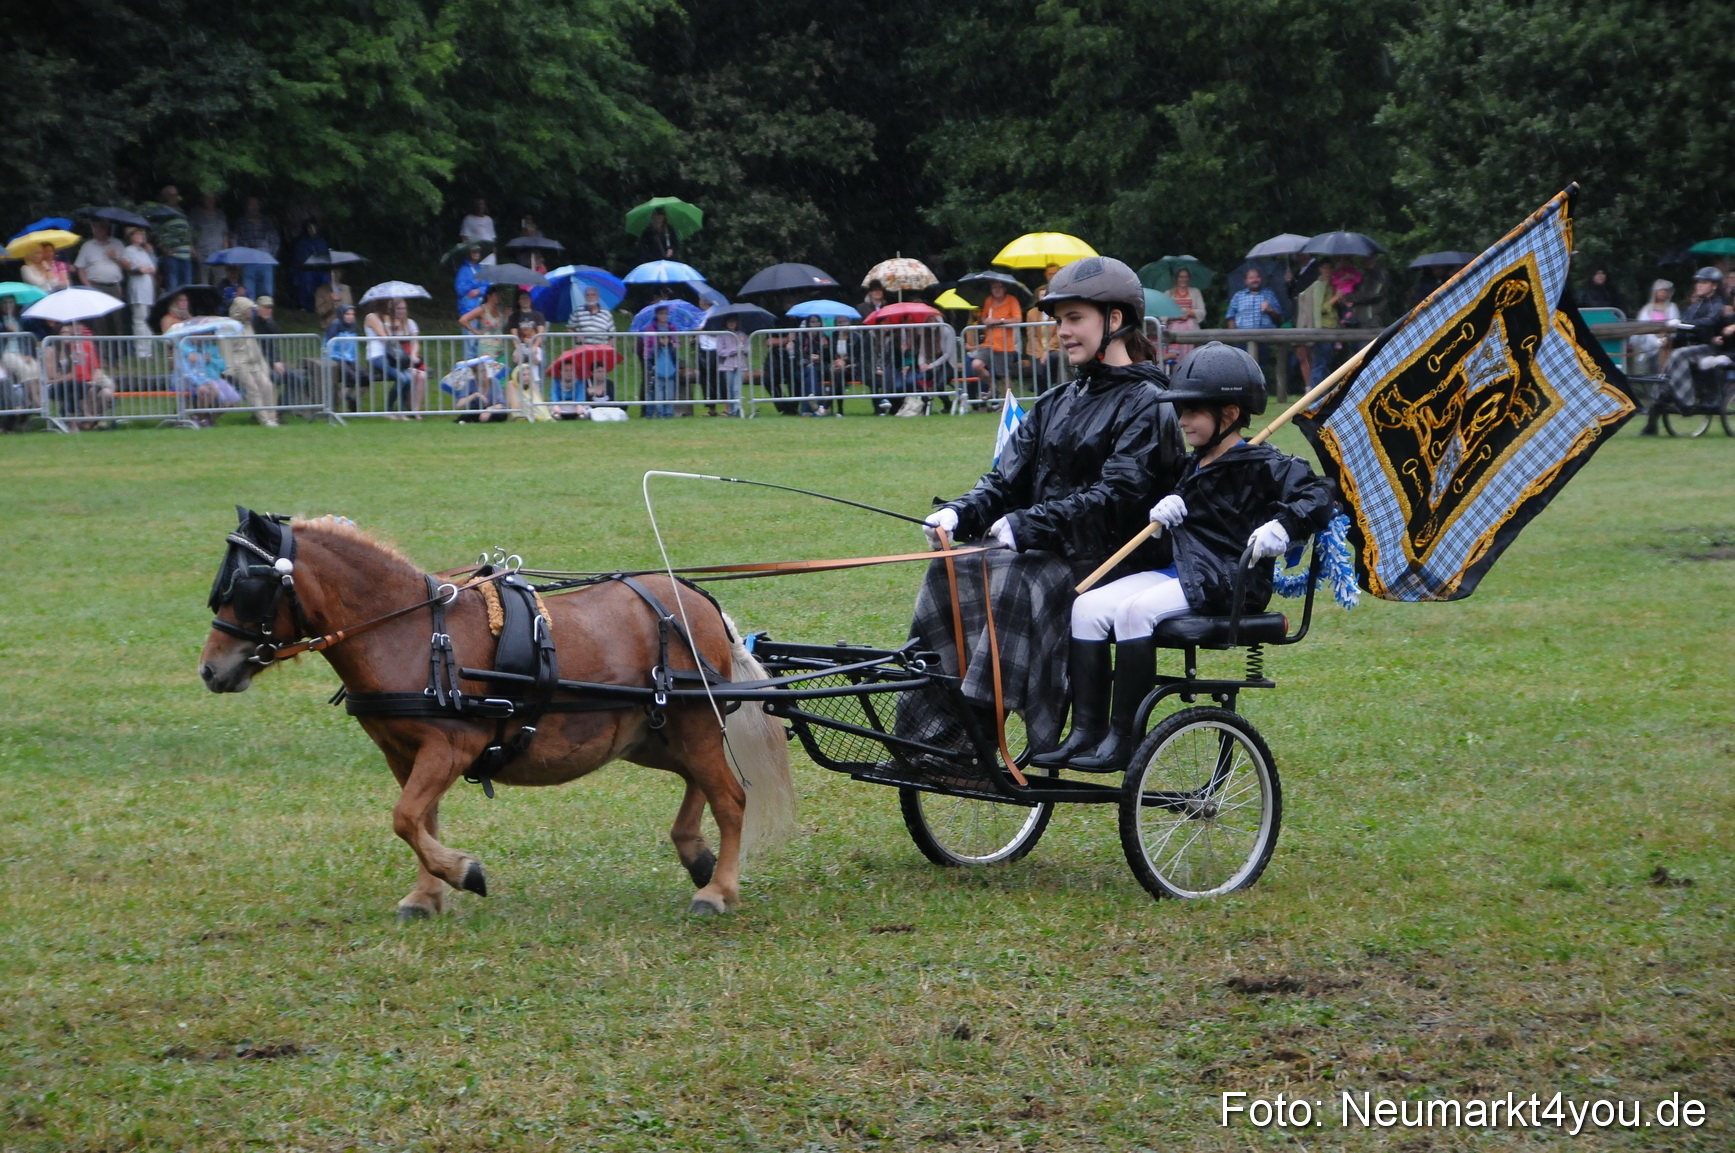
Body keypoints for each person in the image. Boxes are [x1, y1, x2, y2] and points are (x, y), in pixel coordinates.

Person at [914, 256, 1187, 757]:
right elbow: (1003, 481)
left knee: (1022, 578)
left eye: (1074, 319)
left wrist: (1028, 525)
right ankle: (931, 728)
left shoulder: (1152, 402)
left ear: (1115, 320)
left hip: (1116, 560)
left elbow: (1117, 497)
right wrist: (958, 513)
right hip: (1051, 547)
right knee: (950, 569)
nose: (1060, 332)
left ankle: (978, 736)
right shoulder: (1055, 402)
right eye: (1058, 321)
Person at [1041, 342, 1336, 770]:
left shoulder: (1264, 464)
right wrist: (1165, 504)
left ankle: (1125, 741)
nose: (1181, 421)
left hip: (1228, 582)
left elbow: (1321, 493)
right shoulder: (1189, 465)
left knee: (1134, 613)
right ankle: (1087, 732)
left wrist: (1284, 526)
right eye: (1180, 411)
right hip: (1181, 572)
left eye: (1192, 412)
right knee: (1086, 606)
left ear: (1229, 415)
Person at [1643, 268, 1734, 434]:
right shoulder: (1695, 305)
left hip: (1708, 348)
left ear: (1713, 286)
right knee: (1663, 372)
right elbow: (1683, 326)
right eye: (1698, 282)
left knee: (1679, 355)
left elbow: (1708, 323)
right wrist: (1670, 336)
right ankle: (1651, 425)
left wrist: (1683, 325)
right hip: (1690, 348)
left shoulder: (1718, 305)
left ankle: (1686, 402)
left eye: (1703, 282)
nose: (1698, 286)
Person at [220, 296, 279, 425]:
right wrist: (230, 368)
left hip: (255, 363)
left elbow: (255, 346)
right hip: (240, 364)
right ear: (241, 310)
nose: (251, 312)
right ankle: (264, 419)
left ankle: (272, 417)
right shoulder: (227, 327)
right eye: (249, 309)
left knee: (268, 386)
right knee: (253, 389)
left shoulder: (248, 325)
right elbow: (225, 348)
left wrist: (263, 364)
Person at [973, 280, 1025, 402]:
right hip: (988, 343)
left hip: (1005, 345)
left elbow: (1018, 319)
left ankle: (1008, 403)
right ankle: (992, 385)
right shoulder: (988, 301)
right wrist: (986, 321)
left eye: (999, 287)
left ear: (1005, 288)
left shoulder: (1012, 300)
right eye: (994, 287)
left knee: (1004, 376)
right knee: (976, 365)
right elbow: (984, 318)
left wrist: (999, 321)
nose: (996, 289)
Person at [75, 219, 127, 336]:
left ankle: (117, 349)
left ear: (106, 229)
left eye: (100, 227)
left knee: (116, 318)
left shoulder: (117, 243)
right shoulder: (87, 246)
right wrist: (88, 286)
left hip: (114, 285)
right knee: (98, 320)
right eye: (95, 227)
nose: (97, 230)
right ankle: (100, 350)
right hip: (95, 285)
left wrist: (116, 257)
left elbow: (128, 265)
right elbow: (80, 268)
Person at [364, 301, 412, 416]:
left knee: (409, 378)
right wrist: (387, 324)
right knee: (402, 378)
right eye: (389, 305)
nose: (391, 308)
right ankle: (388, 409)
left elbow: (396, 339)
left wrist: (396, 328)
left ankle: (401, 411)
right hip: (376, 355)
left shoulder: (387, 318)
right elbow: (385, 337)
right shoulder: (371, 317)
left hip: (390, 355)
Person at [120, 226, 158, 359]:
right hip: (137, 288)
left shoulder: (144, 251)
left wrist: (146, 265)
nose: (141, 237)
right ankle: (141, 351)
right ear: (131, 236)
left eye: (142, 234)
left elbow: (152, 268)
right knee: (139, 319)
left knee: (146, 319)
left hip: (147, 288)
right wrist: (143, 268)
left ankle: (148, 349)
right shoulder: (128, 250)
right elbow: (135, 268)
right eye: (138, 234)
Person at [146, 186, 194, 291]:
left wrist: (191, 248)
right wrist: (164, 249)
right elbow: (155, 233)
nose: (174, 197)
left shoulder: (182, 213)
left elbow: (187, 232)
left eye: (175, 195)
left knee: (188, 288)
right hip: (172, 256)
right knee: (173, 288)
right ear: (165, 196)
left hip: (186, 255)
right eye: (170, 195)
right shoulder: (160, 213)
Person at [232, 198, 280, 301]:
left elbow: (275, 241)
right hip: (247, 260)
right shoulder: (241, 222)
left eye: (256, 204)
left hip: (265, 260)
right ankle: (251, 315)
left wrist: (270, 255)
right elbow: (235, 241)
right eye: (251, 205)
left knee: (267, 292)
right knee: (248, 292)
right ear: (246, 207)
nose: (254, 207)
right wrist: (238, 258)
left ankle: (266, 315)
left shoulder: (267, 222)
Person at [1630, 279, 1679, 376]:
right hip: (1648, 342)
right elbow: (1642, 326)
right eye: (1660, 290)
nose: (1662, 293)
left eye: (1665, 291)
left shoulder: (1672, 307)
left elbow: (1674, 325)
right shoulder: (1647, 309)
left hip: (1665, 343)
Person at [1162, 266, 1206, 367]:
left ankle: (1190, 366)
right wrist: (1176, 314)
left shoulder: (1195, 292)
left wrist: (1189, 312)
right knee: (1174, 352)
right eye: (1181, 277)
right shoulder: (1169, 293)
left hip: (1190, 327)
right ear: (1176, 278)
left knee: (1191, 352)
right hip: (1174, 328)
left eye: (1186, 277)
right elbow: (1163, 315)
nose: (1183, 279)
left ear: (1189, 278)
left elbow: (1202, 312)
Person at [323, 303, 363, 411]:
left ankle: (354, 399)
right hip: (335, 358)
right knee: (352, 377)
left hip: (349, 359)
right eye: (347, 314)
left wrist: (353, 359)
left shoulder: (353, 325)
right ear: (341, 314)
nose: (350, 316)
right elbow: (328, 344)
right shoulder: (335, 325)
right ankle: (335, 405)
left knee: (366, 377)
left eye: (352, 314)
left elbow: (353, 345)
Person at [1026, 285, 1065, 390]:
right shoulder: (1031, 313)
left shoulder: (1057, 311)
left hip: (1053, 348)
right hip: (1035, 349)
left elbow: (1058, 334)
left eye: (1045, 295)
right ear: (1037, 297)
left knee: (1055, 358)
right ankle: (1041, 394)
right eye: (1041, 295)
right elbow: (1031, 335)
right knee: (1039, 370)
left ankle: (1051, 387)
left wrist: (1047, 351)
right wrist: (1040, 353)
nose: (1043, 298)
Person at [189, 193, 230, 286]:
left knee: (220, 283)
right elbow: (190, 233)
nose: (210, 201)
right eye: (207, 198)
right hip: (202, 253)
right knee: (203, 284)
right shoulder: (195, 214)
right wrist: (192, 249)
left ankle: (219, 300)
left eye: (212, 198)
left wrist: (225, 250)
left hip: (219, 255)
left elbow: (225, 234)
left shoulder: (220, 214)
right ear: (202, 199)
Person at [796, 316, 832, 416]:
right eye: (812, 322)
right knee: (810, 373)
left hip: (820, 368)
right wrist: (809, 357)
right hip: (802, 368)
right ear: (808, 324)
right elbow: (798, 356)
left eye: (817, 322)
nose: (815, 324)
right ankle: (819, 406)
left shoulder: (824, 338)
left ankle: (806, 410)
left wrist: (824, 348)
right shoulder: (802, 338)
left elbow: (828, 358)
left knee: (811, 377)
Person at [290, 219, 329, 310]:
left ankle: (322, 304)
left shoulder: (321, 241)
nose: (311, 230)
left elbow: (325, 256)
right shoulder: (302, 242)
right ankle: (306, 305)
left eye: (313, 227)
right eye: (309, 228)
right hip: (306, 269)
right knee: (307, 280)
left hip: (320, 268)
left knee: (324, 279)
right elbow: (298, 258)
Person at [714, 314, 747, 417]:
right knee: (729, 388)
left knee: (737, 388)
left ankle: (737, 409)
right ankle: (731, 409)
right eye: (730, 322)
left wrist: (743, 348)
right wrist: (734, 350)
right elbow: (720, 352)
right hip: (727, 365)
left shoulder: (742, 335)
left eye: (734, 321)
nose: (732, 324)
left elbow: (748, 348)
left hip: (740, 365)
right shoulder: (722, 335)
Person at [1347, 254, 1391, 328]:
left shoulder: (1381, 274)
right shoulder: (1363, 274)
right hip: (1358, 318)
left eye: (1369, 258)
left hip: (1372, 319)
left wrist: (1351, 297)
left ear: (1376, 258)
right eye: (1364, 258)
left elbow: (1374, 295)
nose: (1366, 260)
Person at [459, 198, 497, 265]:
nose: (480, 206)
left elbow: (492, 239)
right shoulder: (468, 219)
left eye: (482, 204)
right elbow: (464, 239)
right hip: (476, 255)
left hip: (490, 256)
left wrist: (494, 254)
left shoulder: (489, 219)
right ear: (474, 206)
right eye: (478, 204)